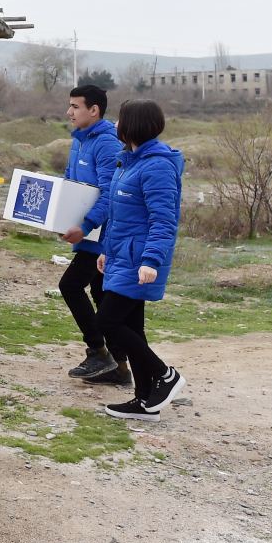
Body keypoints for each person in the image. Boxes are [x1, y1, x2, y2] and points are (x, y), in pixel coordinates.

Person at [94, 99, 187, 421]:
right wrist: (106, 248)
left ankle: (165, 374)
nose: (115, 124)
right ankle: (145, 401)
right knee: (133, 327)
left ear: (134, 124)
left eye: (120, 119)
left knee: (106, 322)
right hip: (122, 256)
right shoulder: (129, 162)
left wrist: (151, 260)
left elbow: (163, 220)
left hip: (139, 260)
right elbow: (119, 215)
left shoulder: (157, 166)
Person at [57, 85, 129, 385]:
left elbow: (109, 195)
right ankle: (121, 368)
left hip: (103, 235)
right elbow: (70, 183)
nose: (69, 112)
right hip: (88, 233)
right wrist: (57, 214)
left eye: (75, 106)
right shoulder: (80, 142)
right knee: (102, 295)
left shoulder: (106, 144)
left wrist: (85, 226)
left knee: (71, 285)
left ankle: (99, 351)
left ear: (94, 110)